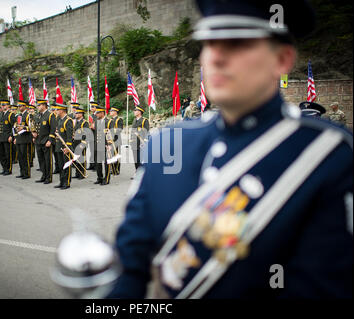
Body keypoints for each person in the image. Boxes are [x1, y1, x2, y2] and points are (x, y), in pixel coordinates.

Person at [108, 0, 352, 299]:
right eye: (209, 42)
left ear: (283, 59)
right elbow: (130, 270)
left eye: (237, 43)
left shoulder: (329, 155)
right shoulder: (167, 141)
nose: (217, 57)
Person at [33, 99, 56, 184]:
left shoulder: (50, 115)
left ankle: (48, 177)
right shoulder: (38, 115)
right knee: (41, 160)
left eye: (39, 105)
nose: (37, 107)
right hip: (38, 141)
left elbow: (53, 129)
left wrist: (50, 140)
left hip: (46, 141)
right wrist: (34, 133)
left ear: (44, 105)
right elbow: (36, 127)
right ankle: (43, 175)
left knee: (47, 160)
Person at [54, 103, 74, 189]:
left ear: (62, 110)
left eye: (58, 109)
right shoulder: (60, 119)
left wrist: (67, 147)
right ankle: (62, 181)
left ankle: (67, 182)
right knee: (61, 165)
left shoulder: (68, 120)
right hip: (59, 146)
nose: (56, 111)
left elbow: (70, 136)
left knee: (66, 165)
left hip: (65, 147)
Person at [93, 103, 112, 186]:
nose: (96, 114)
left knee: (106, 163)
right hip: (98, 145)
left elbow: (111, 134)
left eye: (97, 113)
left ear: (102, 113)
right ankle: (99, 178)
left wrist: (109, 144)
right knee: (98, 163)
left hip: (105, 145)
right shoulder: (97, 122)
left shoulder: (108, 121)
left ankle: (106, 179)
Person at [0, 100, 16, 176]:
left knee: (8, 154)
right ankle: (4, 168)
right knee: (1, 154)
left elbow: (14, 126)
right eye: (2, 105)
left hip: (7, 137)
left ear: (8, 106)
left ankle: (8, 169)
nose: (3, 106)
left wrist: (11, 135)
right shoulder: (1, 114)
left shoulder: (11, 114)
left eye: (4, 105)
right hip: (1, 137)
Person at [14, 100, 32, 179]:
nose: (19, 107)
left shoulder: (28, 115)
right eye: (18, 106)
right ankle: (22, 172)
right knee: (20, 157)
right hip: (19, 138)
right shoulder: (19, 116)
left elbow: (31, 127)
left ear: (25, 106)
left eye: (21, 106)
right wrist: (15, 136)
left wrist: (24, 127)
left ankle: (26, 173)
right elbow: (17, 126)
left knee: (25, 157)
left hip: (25, 138)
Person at [72, 103, 89, 180]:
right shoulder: (76, 122)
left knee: (81, 158)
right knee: (76, 158)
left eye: (77, 113)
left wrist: (84, 143)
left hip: (81, 143)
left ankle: (82, 173)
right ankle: (77, 172)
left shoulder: (84, 122)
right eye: (75, 113)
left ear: (81, 114)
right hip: (75, 142)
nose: (76, 114)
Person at [130, 105, 150, 171]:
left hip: (141, 143)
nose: (134, 111)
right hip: (134, 143)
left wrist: (144, 142)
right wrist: (130, 140)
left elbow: (147, 132)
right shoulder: (134, 120)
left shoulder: (144, 120)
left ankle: (142, 174)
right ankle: (137, 172)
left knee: (141, 159)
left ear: (140, 112)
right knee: (136, 160)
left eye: (135, 110)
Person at [109, 105, 124, 175]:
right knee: (111, 155)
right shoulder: (111, 120)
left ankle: (117, 169)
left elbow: (120, 129)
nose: (110, 112)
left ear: (115, 112)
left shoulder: (119, 119)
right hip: (110, 140)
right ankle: (113, 169)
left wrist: (111, 131)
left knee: (116, 155)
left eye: (111, 111)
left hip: (116, 139)